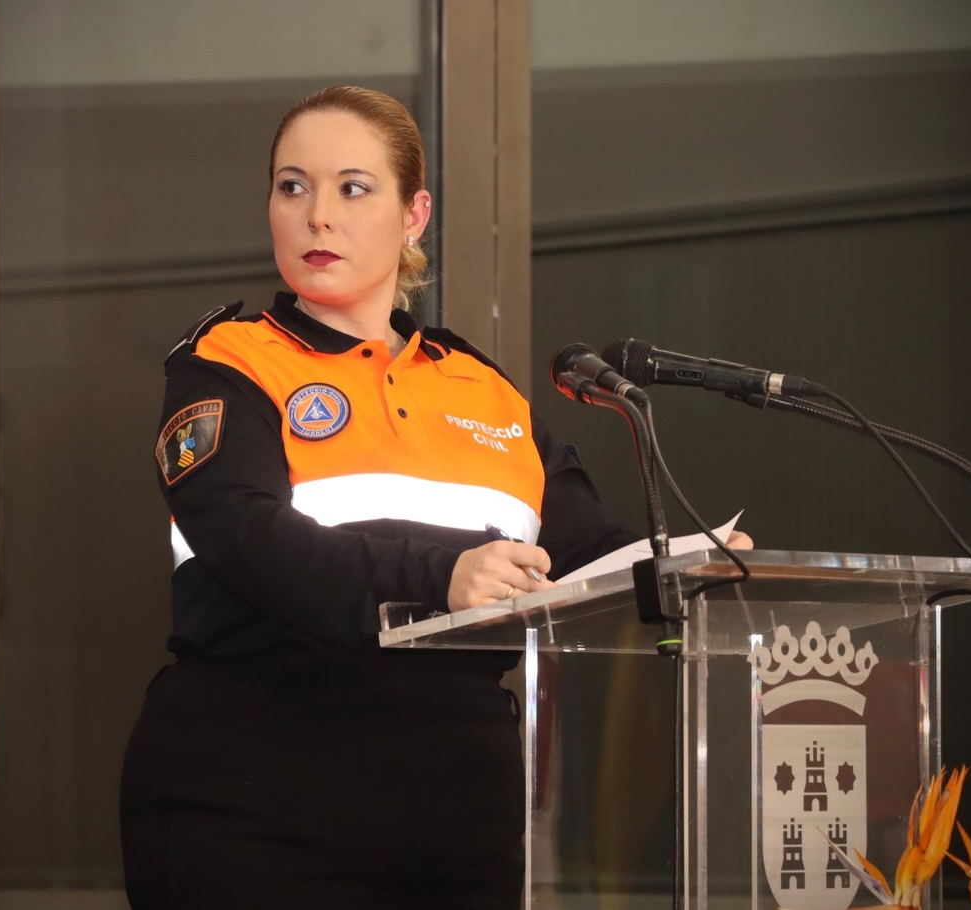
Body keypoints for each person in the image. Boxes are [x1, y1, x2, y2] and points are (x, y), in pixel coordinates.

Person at [119, 84, 747, 909]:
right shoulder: (226, 363)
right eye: (291, 186)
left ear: (413, 215)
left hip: (456, 819)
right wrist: (441, 575)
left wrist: (691, 567)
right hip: (253, 799)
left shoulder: (481, 389)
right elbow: (246, 535)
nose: (317, 216)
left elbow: (584, 554)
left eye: (352, 188)